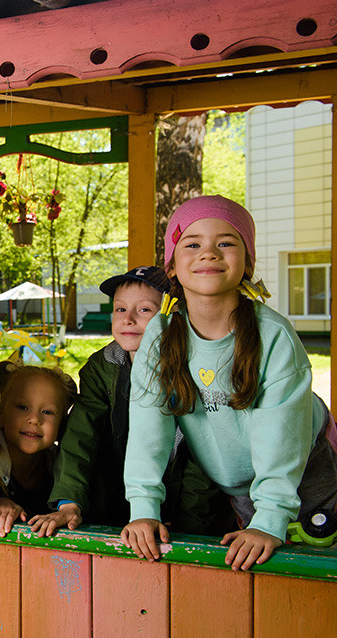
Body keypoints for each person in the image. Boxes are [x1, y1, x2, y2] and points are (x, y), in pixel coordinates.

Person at [121, 195, 337, 570]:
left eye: (225, 242)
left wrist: (270, 519)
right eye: (192, 244)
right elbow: (147, 428)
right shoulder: (160, 334)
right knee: (264, 576)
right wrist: (143, 509)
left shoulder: (274, 336)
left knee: (317, 573)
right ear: (171, 266)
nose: (209, 253)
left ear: (248, 262)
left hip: (307, 473)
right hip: (239, 487)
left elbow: (282, 438)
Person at [29, 266, 231, 537]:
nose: (128, 319)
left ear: (174, 315)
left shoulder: (195, 370)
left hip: (190, 498)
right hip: (119, 492)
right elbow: (80, 436)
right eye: (120, 309)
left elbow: (201, 455)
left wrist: (188, 530)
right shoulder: (103, 368)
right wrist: (69, 502)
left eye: (145, 310)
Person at [0, 361, 76, 536]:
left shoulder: (63, 467)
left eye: (48, 412)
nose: (35, 419)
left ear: (62, 424)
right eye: (22, 407)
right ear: (0, 414)